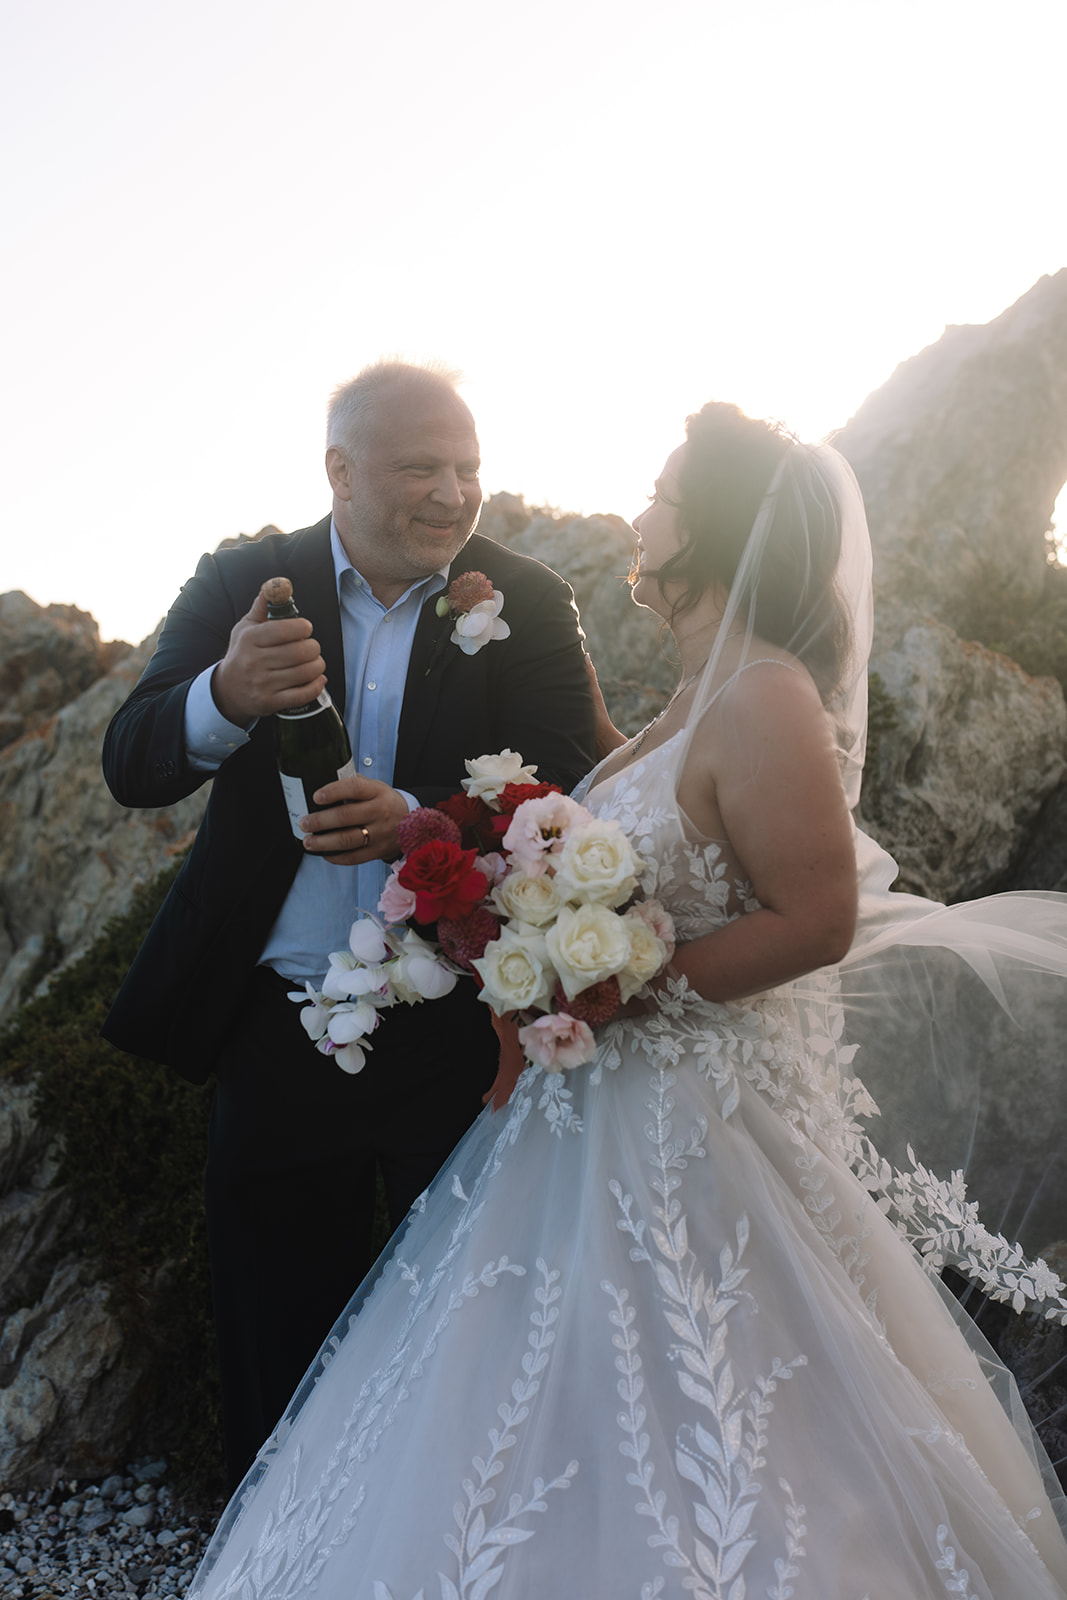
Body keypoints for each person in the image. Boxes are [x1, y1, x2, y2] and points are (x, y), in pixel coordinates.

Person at [187, 403, 1067, 1598]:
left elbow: (815, 919)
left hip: (688, 1121)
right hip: (586, 1110)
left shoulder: (764, 696)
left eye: (659, 493)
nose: (639, 514)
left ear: (708, 528)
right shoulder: (692, 697)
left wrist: (617, 988)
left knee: (720, 1404)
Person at [100, 360, 596, 1488]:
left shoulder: (521, 596)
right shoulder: (241, 580)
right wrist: (225, 693)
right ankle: (270, 1554)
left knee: (468, 1336)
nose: (452, 493)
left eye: (467, 467)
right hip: (274, 1031)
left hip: (463, 1036)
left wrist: (425, 822)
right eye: (421, 467)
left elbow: (572, 784)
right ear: (339, 470)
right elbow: (132, 761)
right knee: (271, 1343)